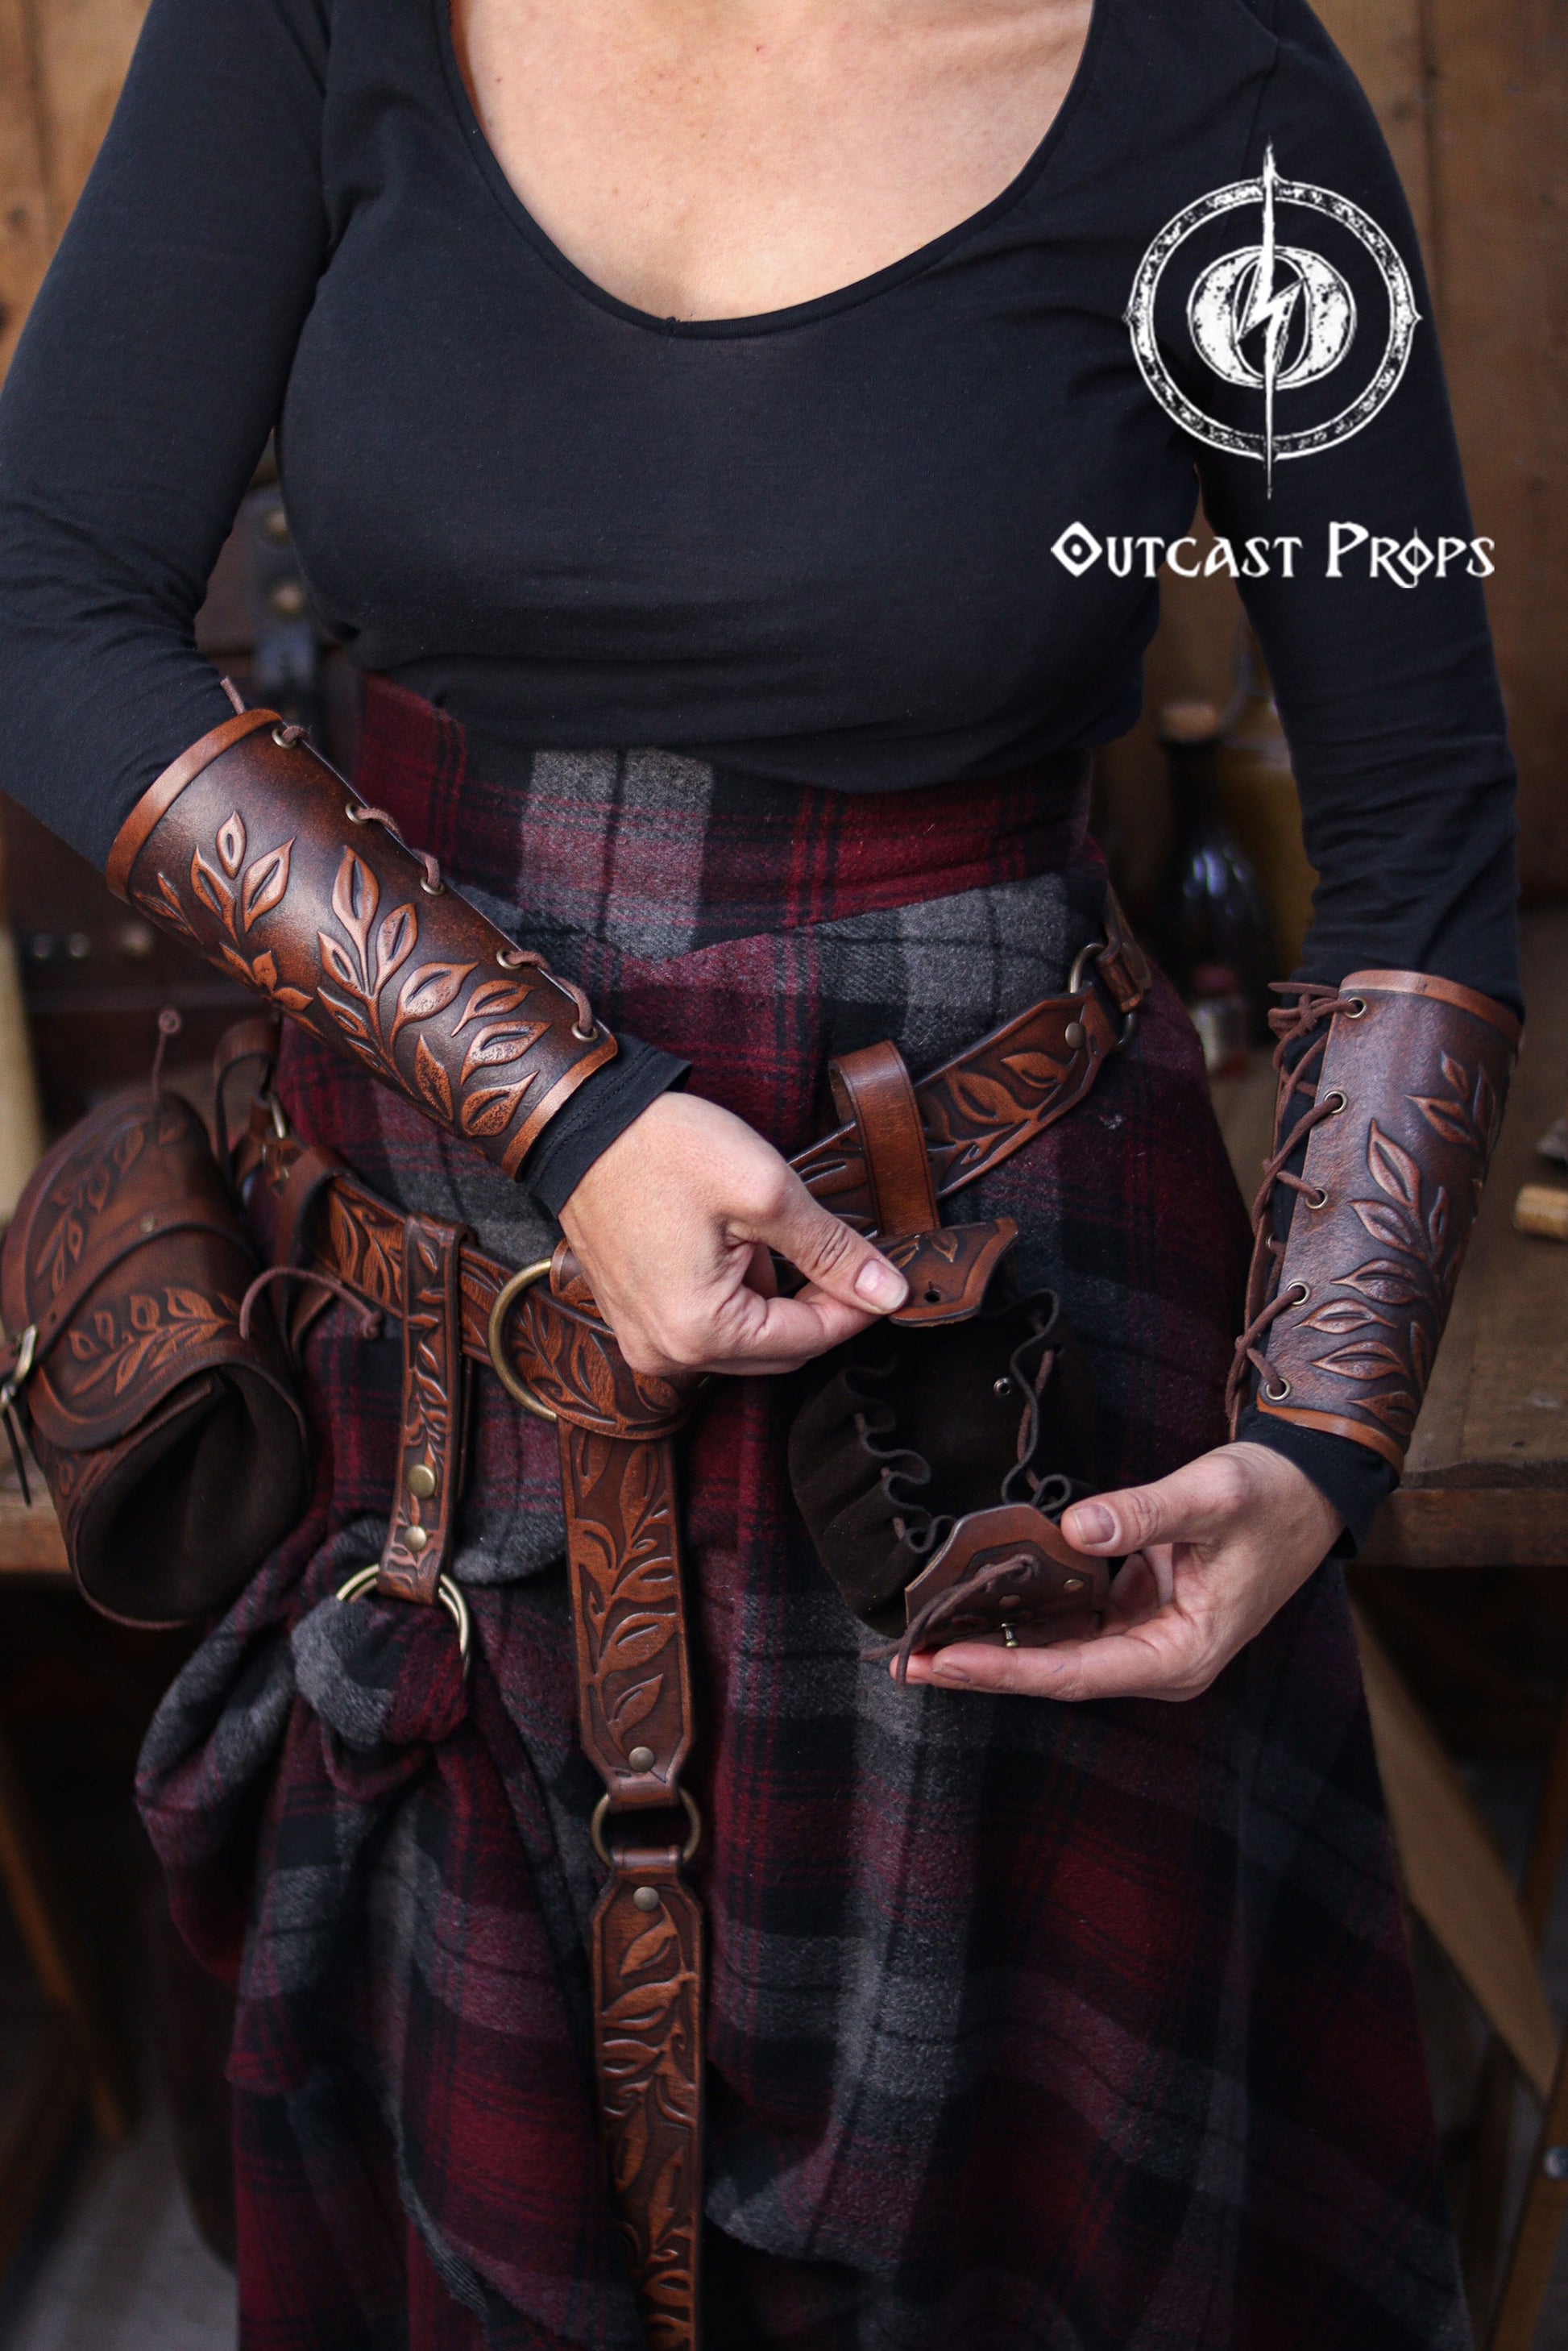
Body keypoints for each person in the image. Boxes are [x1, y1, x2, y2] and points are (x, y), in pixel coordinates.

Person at [0, 0, 1518, 2337]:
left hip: (988, 1366)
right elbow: (38, 591)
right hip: (446, 1354)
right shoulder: (316, 19)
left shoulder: (1227, 98)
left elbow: (1415, 836)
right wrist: (569, 1108)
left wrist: (1320, 1436)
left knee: (1013, 2234)